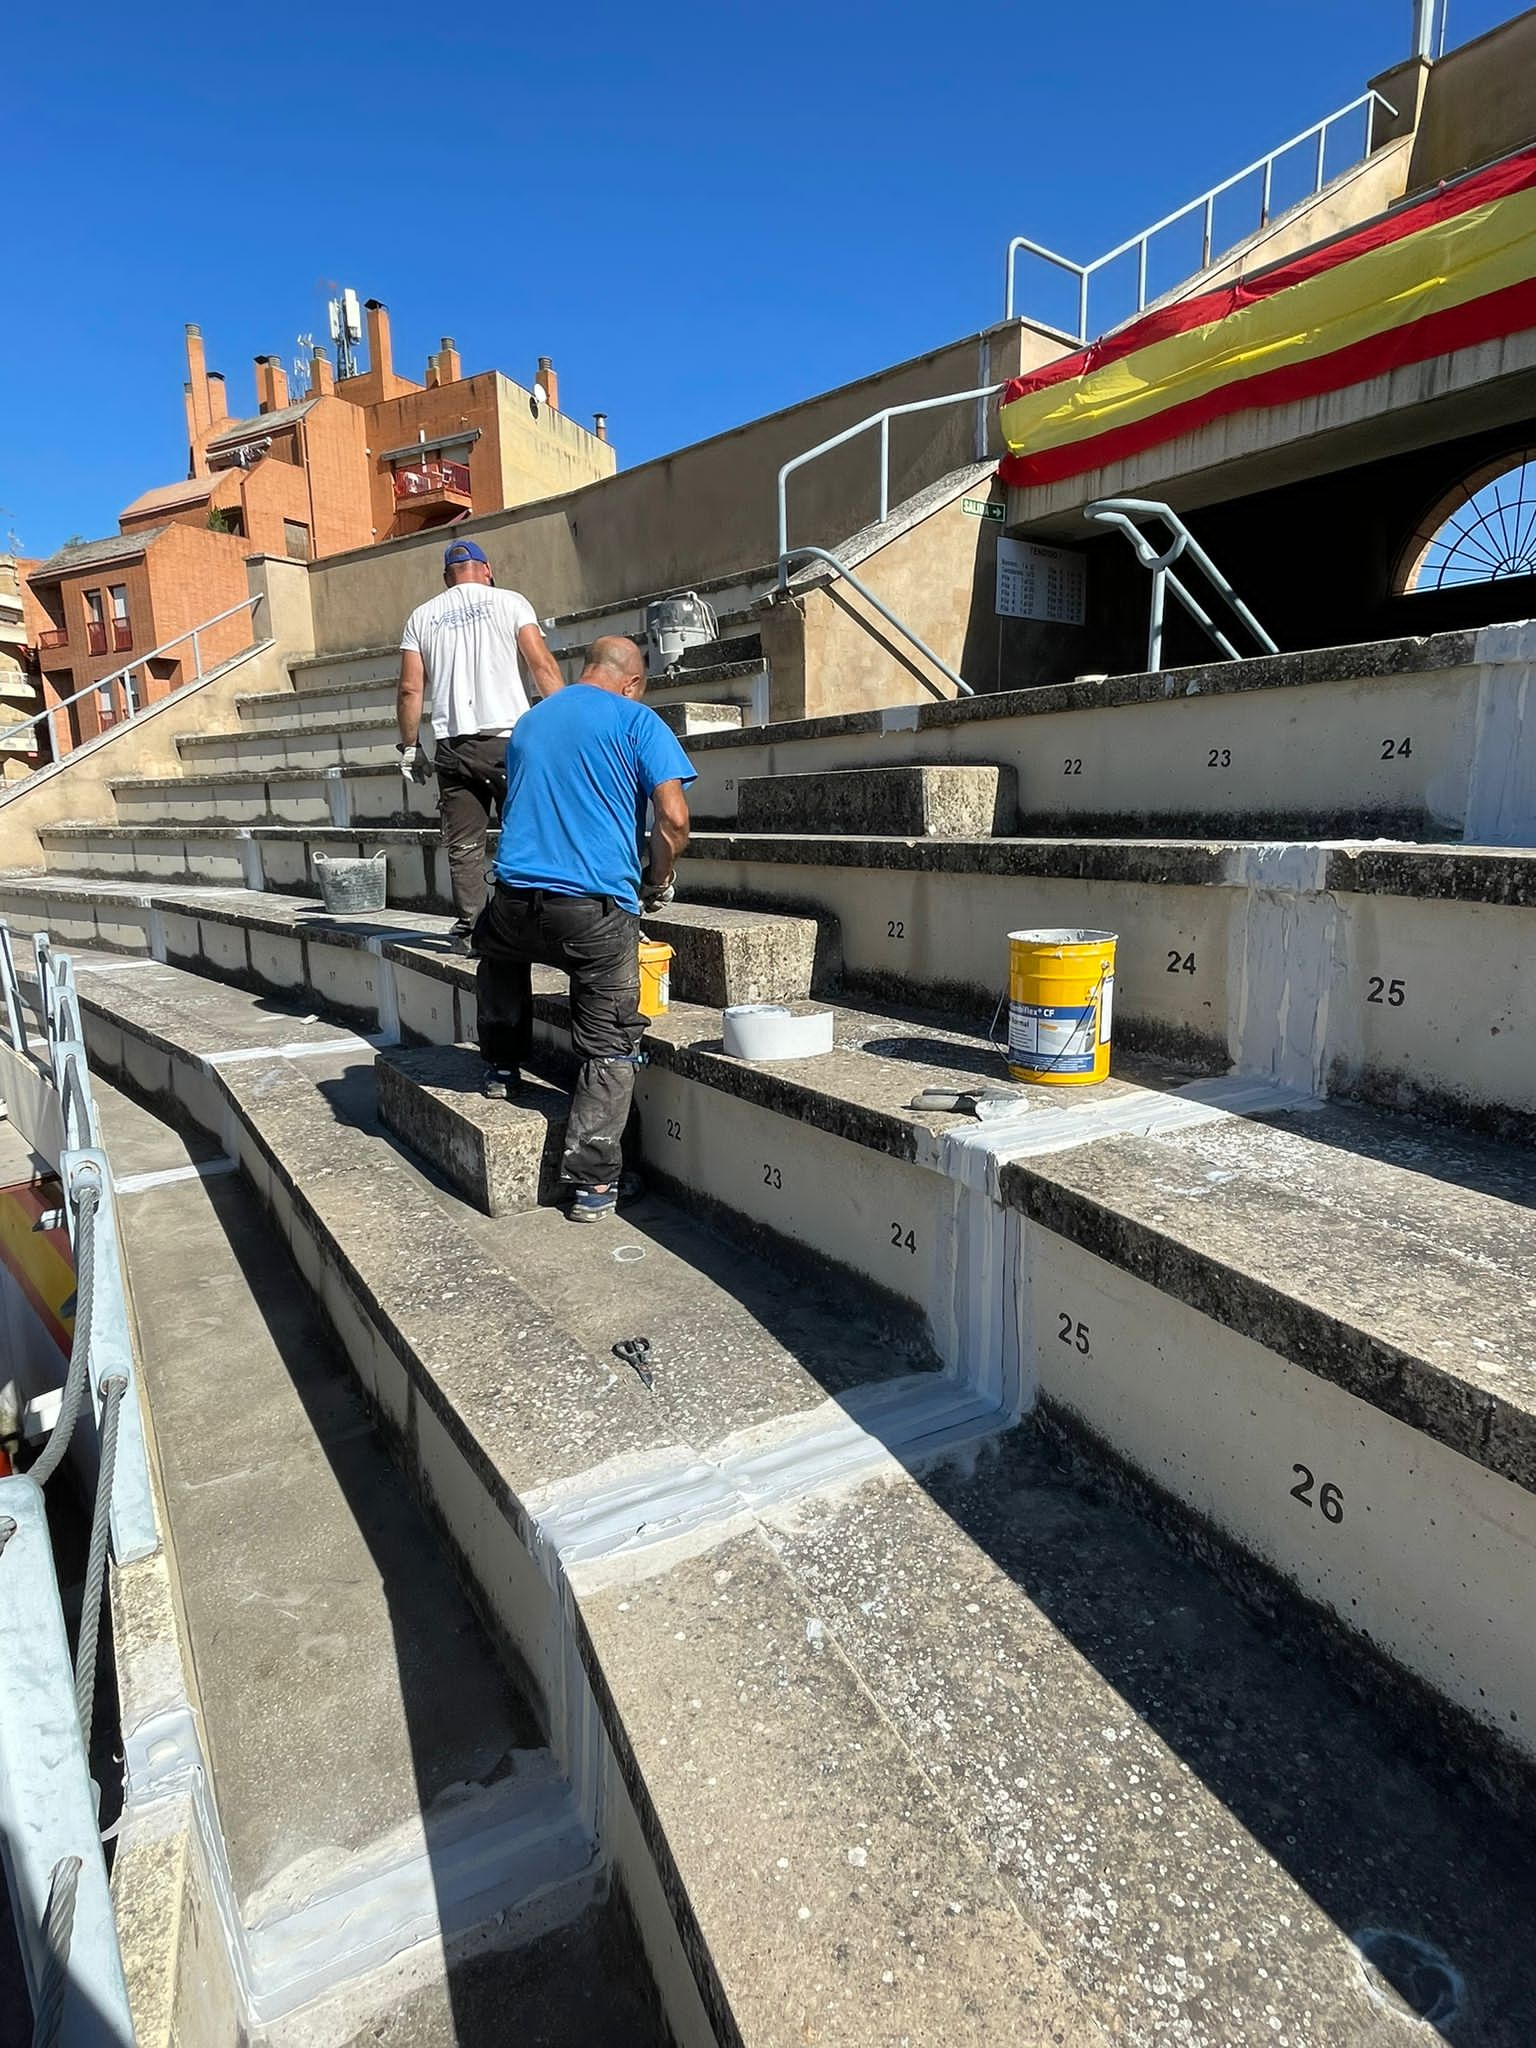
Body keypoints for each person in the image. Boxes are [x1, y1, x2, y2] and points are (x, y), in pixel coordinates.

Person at [473, 635, 694, 1222]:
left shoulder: (530, 721)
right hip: (593, 911)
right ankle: (594, 1185)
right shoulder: (638, 720)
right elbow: (672, 819)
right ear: (633, 682)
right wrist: (657, 878)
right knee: (609, 1040)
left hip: (515, 900)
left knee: (496, 952)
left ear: (584, 670)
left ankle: (499, 1067)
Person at [396, 538, 566, 950]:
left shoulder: (422, 616)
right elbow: (539, 662)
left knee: (465, 844)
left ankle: (472, 929)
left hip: (452, 745)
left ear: (445, 578)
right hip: (510, 741)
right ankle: (531, 923)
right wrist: (565, 724)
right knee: (527, 831)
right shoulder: (510, 602)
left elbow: (408, 689)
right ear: (486, 570)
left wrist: (409, 745)